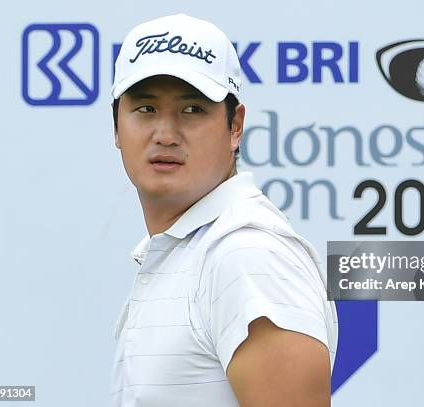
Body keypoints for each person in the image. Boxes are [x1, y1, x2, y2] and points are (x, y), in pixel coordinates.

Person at [109, 13, 338, 407]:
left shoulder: (246, 255)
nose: (165, 134)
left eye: (192, 109)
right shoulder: (189, 250)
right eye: (145, 109)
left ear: (236, 127)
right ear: (116, 127)